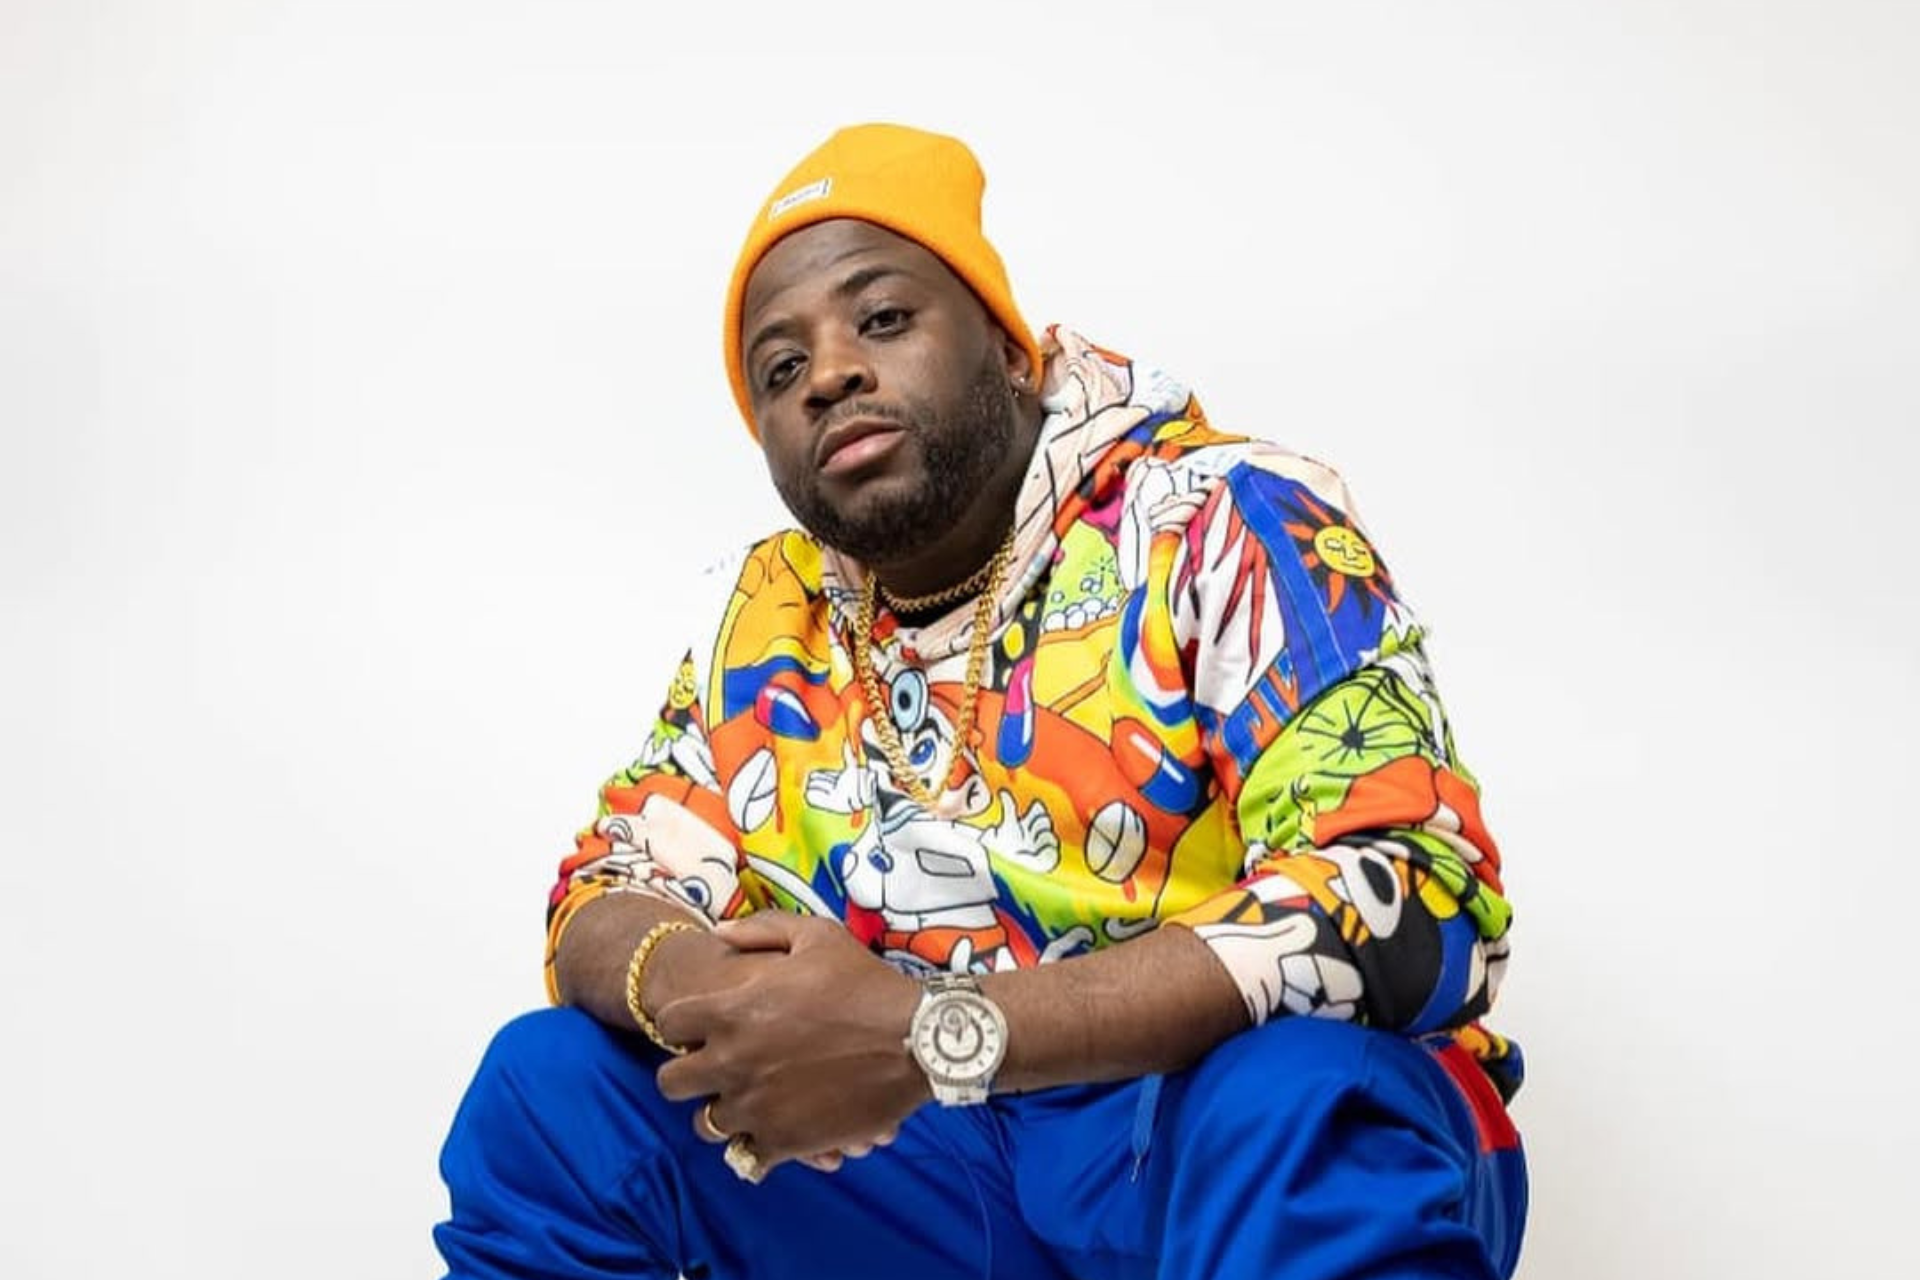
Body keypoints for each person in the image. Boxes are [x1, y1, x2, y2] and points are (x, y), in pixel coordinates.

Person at [434, 122, 1528, 1280]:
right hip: (936, 1173)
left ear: (1010, 349)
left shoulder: (1224, 520)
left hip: (1202, 1145)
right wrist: (716, 996)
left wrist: (935, 1032)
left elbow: (1413, 890)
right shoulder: (767, 616)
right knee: (555, 1087)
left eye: (882, 318)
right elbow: (609, 882)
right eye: (781, 370)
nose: (830, 374)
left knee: (1298, 1091)